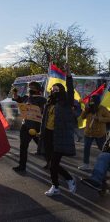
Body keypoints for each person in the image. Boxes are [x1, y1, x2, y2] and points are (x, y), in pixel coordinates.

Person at [43, 64, 77, 196]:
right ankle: (57, 186)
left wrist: (68, 74)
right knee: (51, 163)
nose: (54, 91)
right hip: (48, 135)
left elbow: (70, 88)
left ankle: (65, 181)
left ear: (62, 91)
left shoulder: (67, 102)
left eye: (57, 89)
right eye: (53, 90)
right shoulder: (50, 102)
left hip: (60, 136)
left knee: (53, 164)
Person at [12, 82, 47, 172]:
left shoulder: (42, 99)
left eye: (32, 88)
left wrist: (32, 100)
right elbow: (18, 99)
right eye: (29, 87)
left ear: (37, 89)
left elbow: (42, 110)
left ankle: (50, 163)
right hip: (26, 125)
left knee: (42, 146)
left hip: (36, 126)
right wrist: (15, 93)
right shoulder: (27, 97)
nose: (29, 89)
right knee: (23, 146)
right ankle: (22, 166)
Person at [78, 95, 110, 170]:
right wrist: (85, 110)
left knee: (103, 149)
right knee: (86, 148)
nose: (91, 102)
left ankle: (108, 164)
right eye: (90, 101)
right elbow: (82, 117)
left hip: (99, 134)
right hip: (88, 133)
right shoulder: (88, 108)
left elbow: (109, 118)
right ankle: (86, 164)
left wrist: (99, 118)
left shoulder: (102, 109)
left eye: (93, 101)